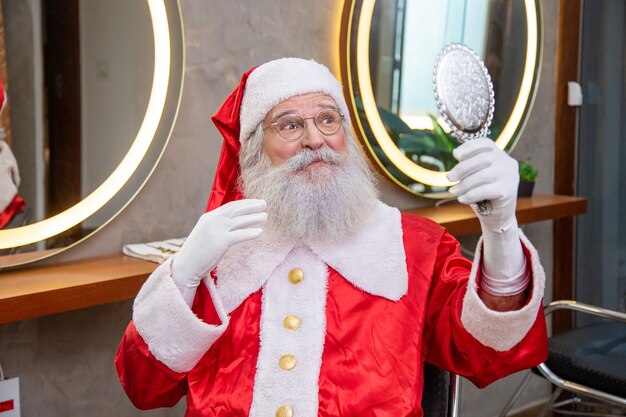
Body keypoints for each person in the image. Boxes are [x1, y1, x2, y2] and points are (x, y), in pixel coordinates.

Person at [116, 57, 548, 417]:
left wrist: (502, 230)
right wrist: (185, 273)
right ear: (252, 151)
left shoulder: (416, 245)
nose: (314, 140)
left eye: (328, 119)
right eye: (288, 125)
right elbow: (144, 387)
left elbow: (488, 352)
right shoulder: (222, 251)